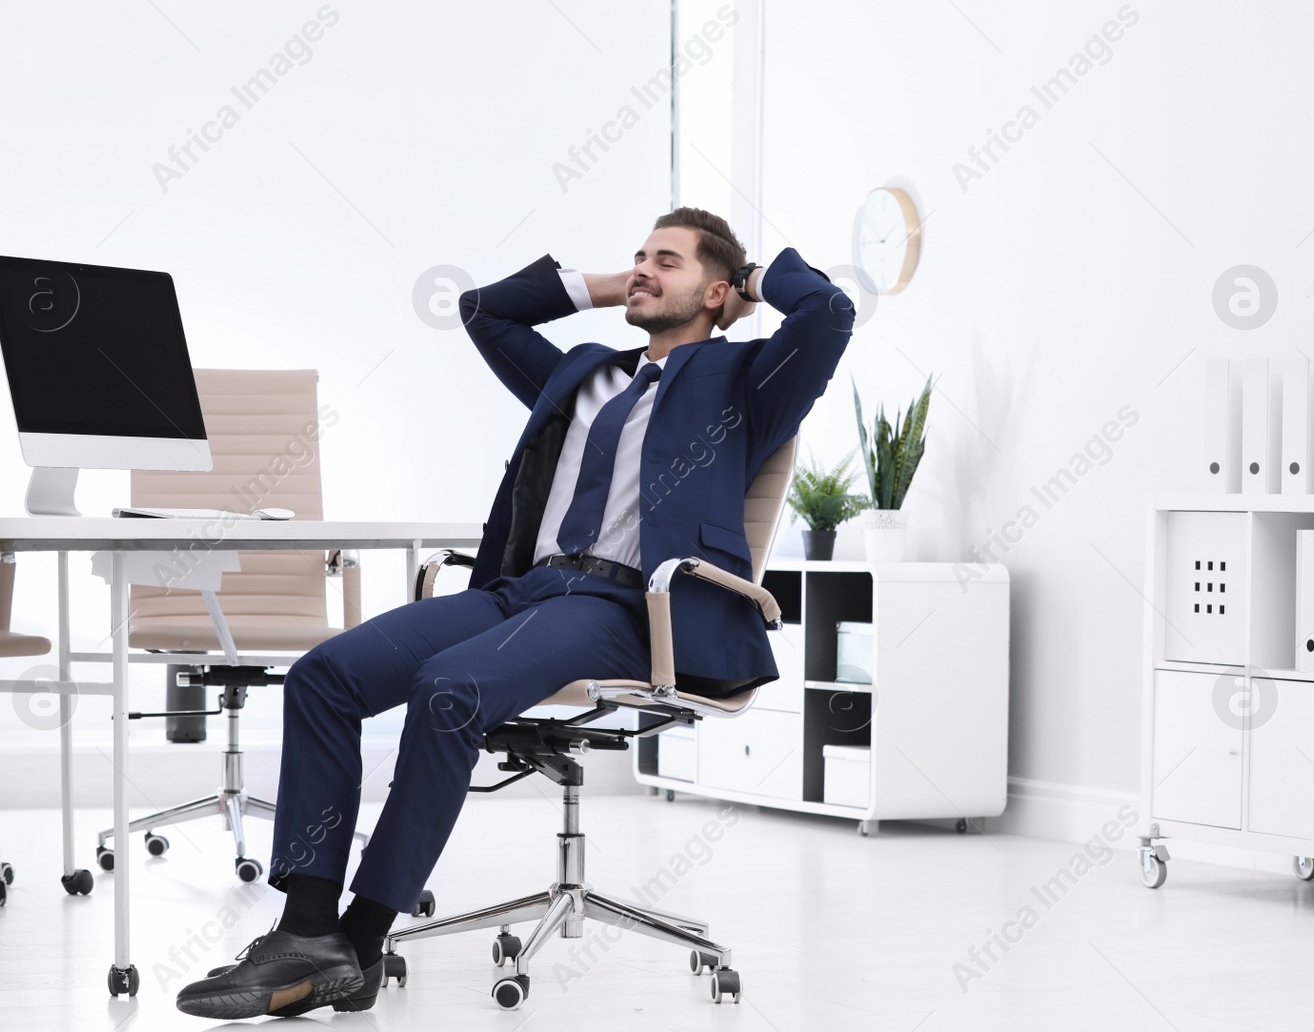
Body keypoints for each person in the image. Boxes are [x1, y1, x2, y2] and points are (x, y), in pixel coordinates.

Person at [176, 207, 855, 1018]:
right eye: (636, 254)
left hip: (629, 606)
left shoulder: (746, 384)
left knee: (449, 689)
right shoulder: (583, 371)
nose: (641, 267)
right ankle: (306, 929)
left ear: (713, 289)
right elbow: (484, 310)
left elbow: (828, 313)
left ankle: (361, 937)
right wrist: (618, 286)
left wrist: (749, 283)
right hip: (519, 587)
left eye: (663, 260)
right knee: (325, 676)